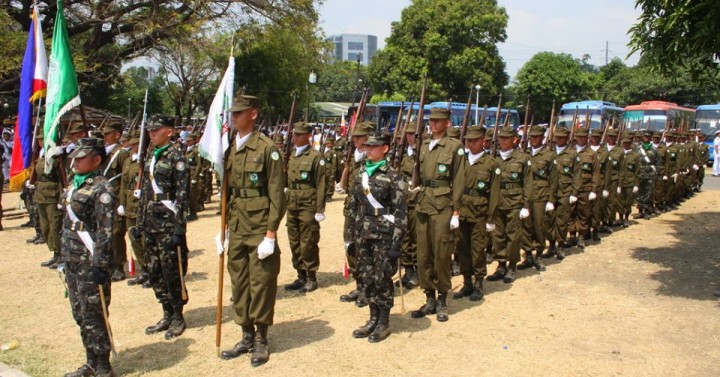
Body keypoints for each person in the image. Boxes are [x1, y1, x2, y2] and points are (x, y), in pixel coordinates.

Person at [219, 95, 286, 367]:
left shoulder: (267, 148)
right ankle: (245, 334)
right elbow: (226, 192)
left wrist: (271, 233)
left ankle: (261, 338)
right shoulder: (230, 149)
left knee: (261, 282)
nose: (233, 117)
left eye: (239, 113)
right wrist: (222, 229)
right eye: (232, 113)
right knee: (239, 282)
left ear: (254, 115)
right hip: (236, 224)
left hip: (259, 226)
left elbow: (276, 195)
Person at [61, 137, 116, 377]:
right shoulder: (75, 184)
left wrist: (100, 264)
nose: (75, 161)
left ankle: (103, 365)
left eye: (81, 157)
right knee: (80, 313)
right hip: (72, 259)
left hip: (90, 260)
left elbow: (106, 231)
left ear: (96, 160)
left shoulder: (102, 189)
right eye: (75, 157)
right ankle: (90, 361)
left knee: (94, 313)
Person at [346, 133, 406, 342]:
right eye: (367, 147)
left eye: (373, 147)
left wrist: (396, 243)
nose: (368, 150)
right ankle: (372, 318)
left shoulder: (393, 176)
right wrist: (350, 235)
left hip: (383, 234)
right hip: (363, 233)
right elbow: (353, 205)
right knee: (367, 277)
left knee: (382, 278)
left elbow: (400, 213)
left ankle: (383, 322)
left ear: (385, 149)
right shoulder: (361, 173)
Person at [135, 116, 189, 340]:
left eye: (156, 130)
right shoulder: (151, 155)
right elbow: (146, 190)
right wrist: (140, 222)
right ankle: (166, 312)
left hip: (167, 224)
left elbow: (184, 195)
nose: (151, 134)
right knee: (154, 271)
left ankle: (177, 315)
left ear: (169, 131)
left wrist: (179, 228)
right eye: (150, 130)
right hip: (150, 222)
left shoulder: (177, 156)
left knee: (171, 271)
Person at [411, 108, 465, 322]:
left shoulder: (455, 147)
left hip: (443, 205)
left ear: (447, 123)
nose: (433, 124)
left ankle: (442, 298)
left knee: (441, 254)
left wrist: (456, 211)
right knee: (423, 254)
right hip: (423, 203)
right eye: (431, 120)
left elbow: (459, 179)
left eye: (438, 121)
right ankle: (429, 297)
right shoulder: (424, 144)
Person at [453, 126, 496, 300]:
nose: (471, 143)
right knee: (462, 248)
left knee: (478, 249)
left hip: (479, 213)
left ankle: (478, 283)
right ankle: (467, 282)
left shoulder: (491, 164)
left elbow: (494, 194)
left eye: (475, 140)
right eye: (469, 140)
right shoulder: (460, 161)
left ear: (483, 140)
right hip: (462, 211)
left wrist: (491, 218)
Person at [284, 121, 327, 293]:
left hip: (307, 204)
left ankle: (311, 277)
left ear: (308, 136)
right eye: (294, 134)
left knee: (308, 242)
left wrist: (319, 209)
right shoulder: (291, 155)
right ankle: (300, 275)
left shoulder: (315, 156)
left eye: (299, 134)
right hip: (292, 203)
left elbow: (321, 184)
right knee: (294, 242)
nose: (295, 137)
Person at [486, 126, 531, 284]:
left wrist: (526, 205)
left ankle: (512, 267)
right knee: (498, 236)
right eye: (501, 138)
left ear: (515, 140)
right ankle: (501, 265)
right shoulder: (494, 159)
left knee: (513, 236)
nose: (503, 141)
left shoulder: (523, 158)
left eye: (506, 138)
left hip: (514, 203)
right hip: (498, 203)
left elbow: (527, 183)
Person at [339, 121, 375, 307]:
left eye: (360, 137)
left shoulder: (374, 158)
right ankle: (359, 284)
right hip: (351, 210)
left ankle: (368, 289)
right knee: (350, 246)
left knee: (366, 251)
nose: (356, 140)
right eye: (354, 136)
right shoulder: (352, 157)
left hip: (367, 211)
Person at [517, 125, 556, 271]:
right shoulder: (523, 154)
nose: (534, 140)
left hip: (541, 196)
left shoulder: (549, 156)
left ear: (542, 138)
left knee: (539, 226)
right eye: (531, 137)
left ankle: (538, 255)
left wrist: (551, 200)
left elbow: (554, 179)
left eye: (537, 137)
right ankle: (528, 255)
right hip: (526, 196)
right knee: (525, 227)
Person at [101, 121, 130, 282]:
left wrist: (122, 202)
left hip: (115, 199)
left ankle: (119, 265)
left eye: (107, 134)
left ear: (117, 135)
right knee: (105, 234)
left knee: (116, 234)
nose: (104, 137)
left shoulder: (121, 154)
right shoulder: (104, 153)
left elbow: (124, 179)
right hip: (103, 201)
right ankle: (109, 263)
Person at [119, 130, 148, 287]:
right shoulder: (129, 160)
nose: (133, 146)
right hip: (129, 205)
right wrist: (121, 202)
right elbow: (124, 183)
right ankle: (144, 269)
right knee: (133, 239)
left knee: (144, 240)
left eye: (136, 144)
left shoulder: (146, 160)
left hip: (141, 206)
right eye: (131, 144)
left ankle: (151, 270)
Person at [32, 133, 63, 268]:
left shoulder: (55, 157)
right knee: (45, 226)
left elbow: (61, 178)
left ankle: (60, 254)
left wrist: (62, 197)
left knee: (55, 225)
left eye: (42, 139)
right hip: (40, 194)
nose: (40, 141)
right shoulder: (40, 155)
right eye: (39, 139)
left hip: (52, 195)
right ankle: (54, 252)